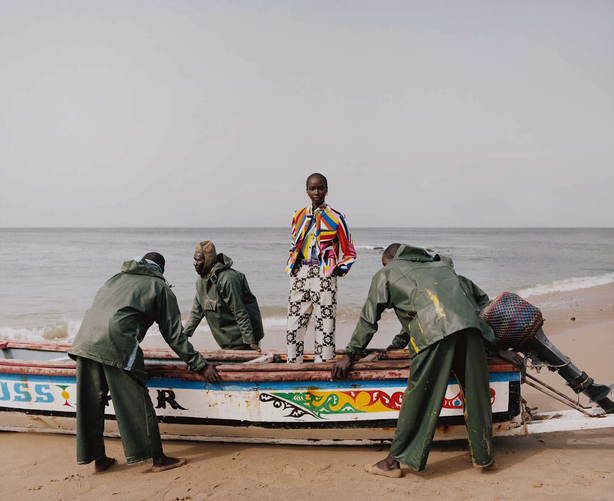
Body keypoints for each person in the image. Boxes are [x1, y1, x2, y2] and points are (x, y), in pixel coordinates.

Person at [332, 243, 501, 477]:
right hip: (470, 330)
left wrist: (350, 353)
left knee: (419, 396)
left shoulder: (387, 273)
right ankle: (484, 457)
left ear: (389, 259)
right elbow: (440, 305)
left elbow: (369, 319)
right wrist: (494, 342)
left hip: (434, 334)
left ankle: (392, 463)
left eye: (384, 264)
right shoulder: (441, 267)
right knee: (476, 393)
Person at [69, 253, 221, 474]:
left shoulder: (117, 278)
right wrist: (200, 365)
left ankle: (98, 459)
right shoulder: (159, 286)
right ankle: (158, 459)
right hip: (116, 343)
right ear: (161, 271)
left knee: (91, 403)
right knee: (137, 400)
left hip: (84, 340)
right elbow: (174, 335)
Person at [285, 173, 357, 363]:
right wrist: (293, 268)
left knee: (325, 327)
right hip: (299, 273)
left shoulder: (336, 217)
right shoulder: (298, 215)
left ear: (326, 190)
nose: (316, 192)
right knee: (293, 327)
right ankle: (293, 369)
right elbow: (295, 244)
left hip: (324, 275)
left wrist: (336, 270)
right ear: (306, 191)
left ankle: (323, 370)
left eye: (320, 188)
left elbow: (349, 252)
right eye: (312, 188)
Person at [184, 241, 264, 351]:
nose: (194, 263)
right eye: (194, 259)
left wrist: (250, 340)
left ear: (208, 260)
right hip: (226, 340)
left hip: (243, 341)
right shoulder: (201, 280)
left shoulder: (227, 279)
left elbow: (239, 311)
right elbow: (197, 311)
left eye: (198, 260)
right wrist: (183, 335)